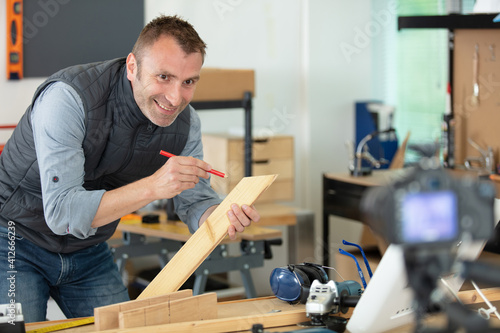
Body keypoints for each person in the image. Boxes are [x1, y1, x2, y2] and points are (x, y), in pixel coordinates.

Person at [0, 15, 260, 323]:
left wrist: (220, 218)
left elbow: (195, 201)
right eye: (164, 77)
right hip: (14, 241)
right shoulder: (67, 98)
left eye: (188, 82)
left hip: (89, 247)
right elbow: (63, 213)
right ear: (132, 66)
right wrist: (154, 186)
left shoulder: (187, 124)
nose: (176, 98)